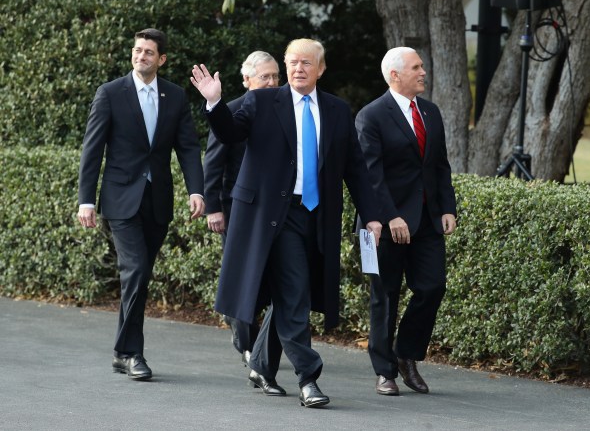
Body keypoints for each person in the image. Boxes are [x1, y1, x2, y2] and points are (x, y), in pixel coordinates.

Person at [190, 38, 382, 408]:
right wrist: (214, 102)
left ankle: (261, 364)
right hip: (270, 214)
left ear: (320, 69)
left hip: (317, 215)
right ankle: (308, 377)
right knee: (295, 293)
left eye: (306, 63)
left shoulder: (338, 111)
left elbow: (356, 168)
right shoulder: (261, 101)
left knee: (295, 294)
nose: (298, 69)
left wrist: (372, 216)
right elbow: (229, 134)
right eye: (292, 62)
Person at [77, 28, 205, 381]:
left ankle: (122, 352)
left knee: (140, 276)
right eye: (137, 51)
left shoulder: (175, 96)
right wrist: (85, 200)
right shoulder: (110, 93)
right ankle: (131, 353)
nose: (141, 56)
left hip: (158, 200)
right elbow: (93, 149)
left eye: (149, 52)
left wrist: (197, 190)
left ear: (161, 59)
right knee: (134, 270)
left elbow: (189, 148)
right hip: (120, 199)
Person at [355, 47, 457, 396]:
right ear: (394, 75)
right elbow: (371, 176)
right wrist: (390, 216)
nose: (423, 72)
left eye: (422, 66)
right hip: (383, 225)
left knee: (432, 287)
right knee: (385, 296)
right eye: (416, 67)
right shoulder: (371, 116)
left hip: (427, 220)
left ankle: (406, 354)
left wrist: (448, 207)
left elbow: (439, 165)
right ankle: (384, 371)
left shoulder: (430, 111)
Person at [203, 51, 280, 366]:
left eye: (276, 76)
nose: (273, 82)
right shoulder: (231, 111)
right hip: (236, 207)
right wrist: (213, 208)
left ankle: (252, 333)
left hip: (274, 208)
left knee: (271, 276)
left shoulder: (284, 111)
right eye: (265, 77)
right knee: (243, 274)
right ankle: (245, 339)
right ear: (247, 80)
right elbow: (213, 162)